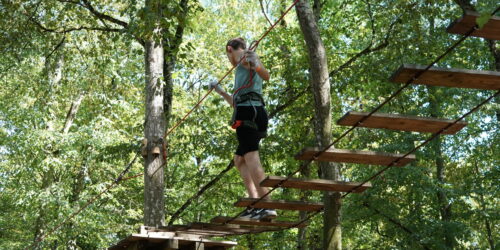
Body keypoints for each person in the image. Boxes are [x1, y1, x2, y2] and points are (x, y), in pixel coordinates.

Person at [209, 37, 277, 220]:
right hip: (250, 111)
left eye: (227, 54)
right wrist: (221, 91)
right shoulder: (242, 67)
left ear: (229, 49)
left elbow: (265, 75)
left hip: (250, 113)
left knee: (251, 156)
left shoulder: (243, 59)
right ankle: (254, 203)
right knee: (239, 159)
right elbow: (237, 103)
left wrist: (256, 62)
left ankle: (266, 204)